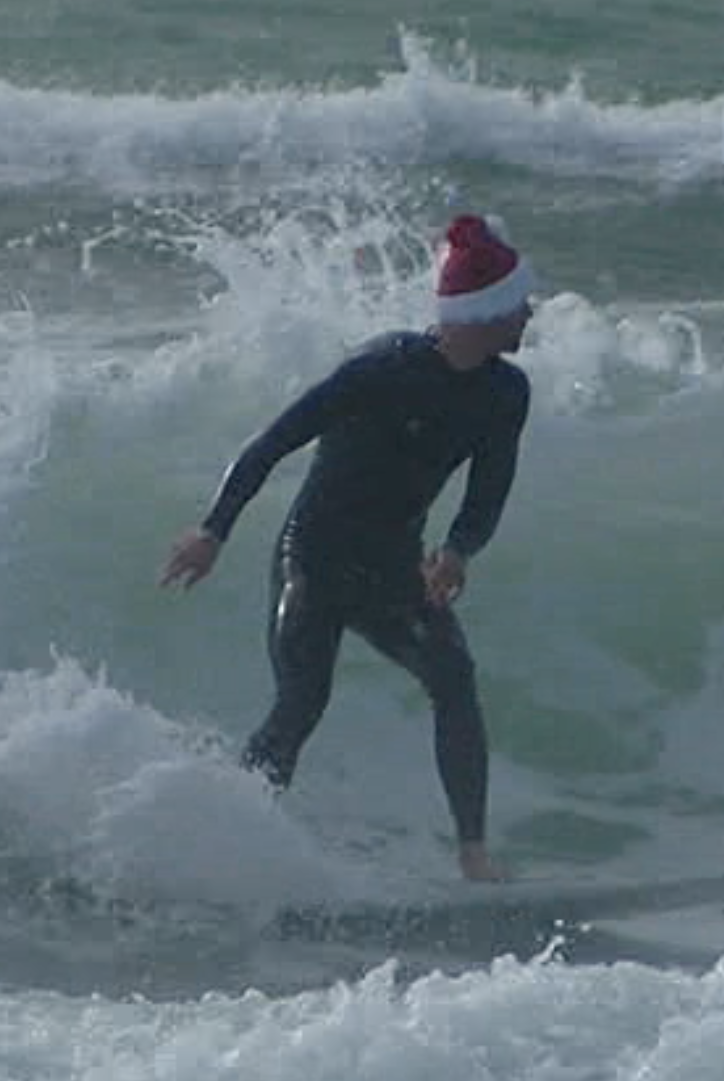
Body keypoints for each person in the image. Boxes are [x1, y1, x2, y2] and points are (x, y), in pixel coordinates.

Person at [160, 214, 535, 882]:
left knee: (454, 677)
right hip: (314, 557)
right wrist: (214, 529)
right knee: (303, 701)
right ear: (483, 314)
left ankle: (474, 856)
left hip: (392, 566)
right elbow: (273, 442)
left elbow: (490, 488)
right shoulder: (380, 369)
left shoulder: (505, 393)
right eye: (517, 304)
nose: (529, 312)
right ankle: (228, 845)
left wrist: (457, 550)